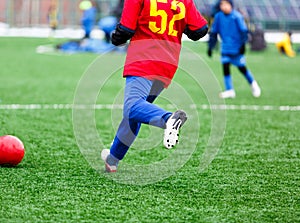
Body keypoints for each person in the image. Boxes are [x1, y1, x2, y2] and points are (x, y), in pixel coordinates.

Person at [100, 0, 208, 172]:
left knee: (132, 107)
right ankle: (112, 160)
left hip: (144, 58)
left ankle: (168, 119)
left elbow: (126, 29)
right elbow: (200, 30)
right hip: (167, 63)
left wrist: (115, 39)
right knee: (136, 114)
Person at [207, 0, 261, 99]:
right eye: (221, 4)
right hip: (225, 48)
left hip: (236, 48)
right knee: (226, 67)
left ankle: (253, 84)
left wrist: (242, 46)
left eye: (225, 4)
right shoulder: (218, 16)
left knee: (242, 68)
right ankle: (230, 90)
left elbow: (244, 32)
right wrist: (210, 46)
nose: (223, 6)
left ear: (230, 5)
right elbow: (214, 33)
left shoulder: (237, 16)